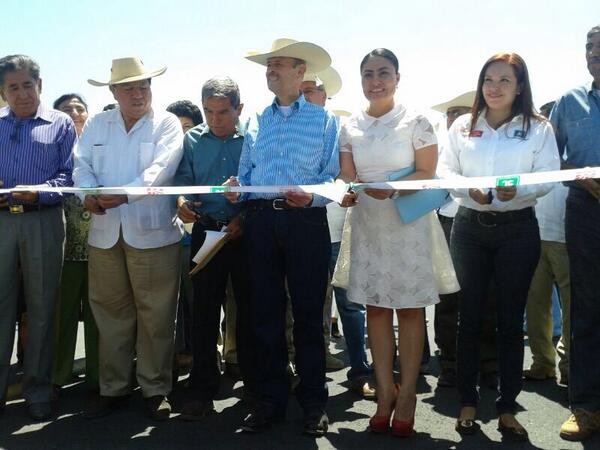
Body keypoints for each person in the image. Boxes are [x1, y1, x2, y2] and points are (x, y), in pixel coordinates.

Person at [439, 52, 560, 442]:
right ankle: (467, 401)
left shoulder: (538, 128)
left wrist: (518, 189)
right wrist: (464, 188)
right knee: (468, 318)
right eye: (488, 80)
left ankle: (508, 407)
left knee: (510, 323)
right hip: (469, 229)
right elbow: (445, 170)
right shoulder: (462, 125)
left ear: (520, 86)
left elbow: (548, 175)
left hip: (517, 230)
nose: (494, 87)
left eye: (504, 80)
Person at [224, 38, 338, 436]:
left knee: (308, 316)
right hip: (260, 223)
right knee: (264, 315)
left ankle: (313, 402)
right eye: (268, 65)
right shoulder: (256, 119)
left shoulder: (325, 120)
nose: (270, 71)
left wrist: (312, 196)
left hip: (305, 223)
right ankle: (270, 399)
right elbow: (247, 176)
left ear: (300, 72)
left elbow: (334, 178)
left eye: (279, 65)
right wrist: (236, 187)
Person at [336, 48, 439, 438]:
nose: (375, 80)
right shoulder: (350, 126)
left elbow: (427, 170)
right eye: (367, 74)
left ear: (398, 77)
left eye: (383, 73)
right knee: (376, 309)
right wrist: (348, 191)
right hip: (368, 223)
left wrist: (392, 186)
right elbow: (347, 175)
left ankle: (408, 394)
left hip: (407, 221)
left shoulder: (417, 119)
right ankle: (384, 394)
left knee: (410, 311)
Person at [74, 57, 184, 421]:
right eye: (129, 87)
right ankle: (114, 387)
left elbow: (161, 170)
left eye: (144, 86)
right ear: (113, 92)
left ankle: (155, 388)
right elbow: (81, 165)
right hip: (105, 234)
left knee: (156, 314)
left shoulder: (166, 123)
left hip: (153, 234)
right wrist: (87, 194)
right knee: (110, 313)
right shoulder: (96, 124)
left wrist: (124, 194)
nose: (138, 93)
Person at [174, 76, 257, 419]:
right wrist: (180, 201)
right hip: (206, 234)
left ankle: (254, 386)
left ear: (239, 108)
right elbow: (181, 181)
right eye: (208, 111)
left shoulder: (253, 139)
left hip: (245, 235)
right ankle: (202, 388)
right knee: (204, 314)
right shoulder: (192, 140)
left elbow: (262, 183)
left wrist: (246, 219)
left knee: (251, 313)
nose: (215, 119)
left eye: (223, 112)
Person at [0, 54, 76, 420]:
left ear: (40, 85)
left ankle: (39, 390)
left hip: (43, 220)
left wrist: (39, 191)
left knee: (43, 308)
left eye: (27, 84)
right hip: (1, 222)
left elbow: (70, 178)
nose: (22, 93)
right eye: (13, 87)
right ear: (3, 92)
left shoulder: (61, 124)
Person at [301, 67, 374, 392]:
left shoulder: (341, 130)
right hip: (305, 231)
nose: (306, 95)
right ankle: (310, 375)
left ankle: (360, 371)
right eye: (301, 90)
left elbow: (354, 178)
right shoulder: (289, 131)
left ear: (325, 95)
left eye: (312, 89)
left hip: (342, 234)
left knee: (351, 306)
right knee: (309, 306)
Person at [552, 25, 600, 442]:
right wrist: (580, 176)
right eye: (589, 46)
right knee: (586, 308)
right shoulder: (569, 102)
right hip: (586, 212)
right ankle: (585, 405)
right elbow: (552, 161)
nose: (595, 52)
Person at [431, 91, 499, 389]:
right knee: (447, 296)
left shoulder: (484, 143)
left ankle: (487, 363)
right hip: (445, 221)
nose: (455, 116)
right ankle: (449, 362)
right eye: (450, 111)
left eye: (462, 110)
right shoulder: (433, 146)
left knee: (485, 296)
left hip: (480, 219)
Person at [51, 94, 99, 392]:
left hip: (99, 247)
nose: (74, 113)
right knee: (61, 317)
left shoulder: (97, 147)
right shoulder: (52, 151)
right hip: (64, 249)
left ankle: (97, 379)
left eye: (80, 108)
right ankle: (57, 377)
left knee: (99, 318)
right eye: (67, 109)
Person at [523, 100, 570, 386]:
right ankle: (542, 363)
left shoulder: (573, 156)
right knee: (536, 306)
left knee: (572, 310)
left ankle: (570, 365)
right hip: (534, 237)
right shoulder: (533, 155)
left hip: (568, 240)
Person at [166, 99, 204, 375]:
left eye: (187, 127)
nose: (181, 134)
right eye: (174, 127)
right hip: (164, 241)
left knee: (196, 303)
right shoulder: (161, 156)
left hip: (195, 240)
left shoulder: (198, 151)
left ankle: (196, 352)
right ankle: (173, 353)